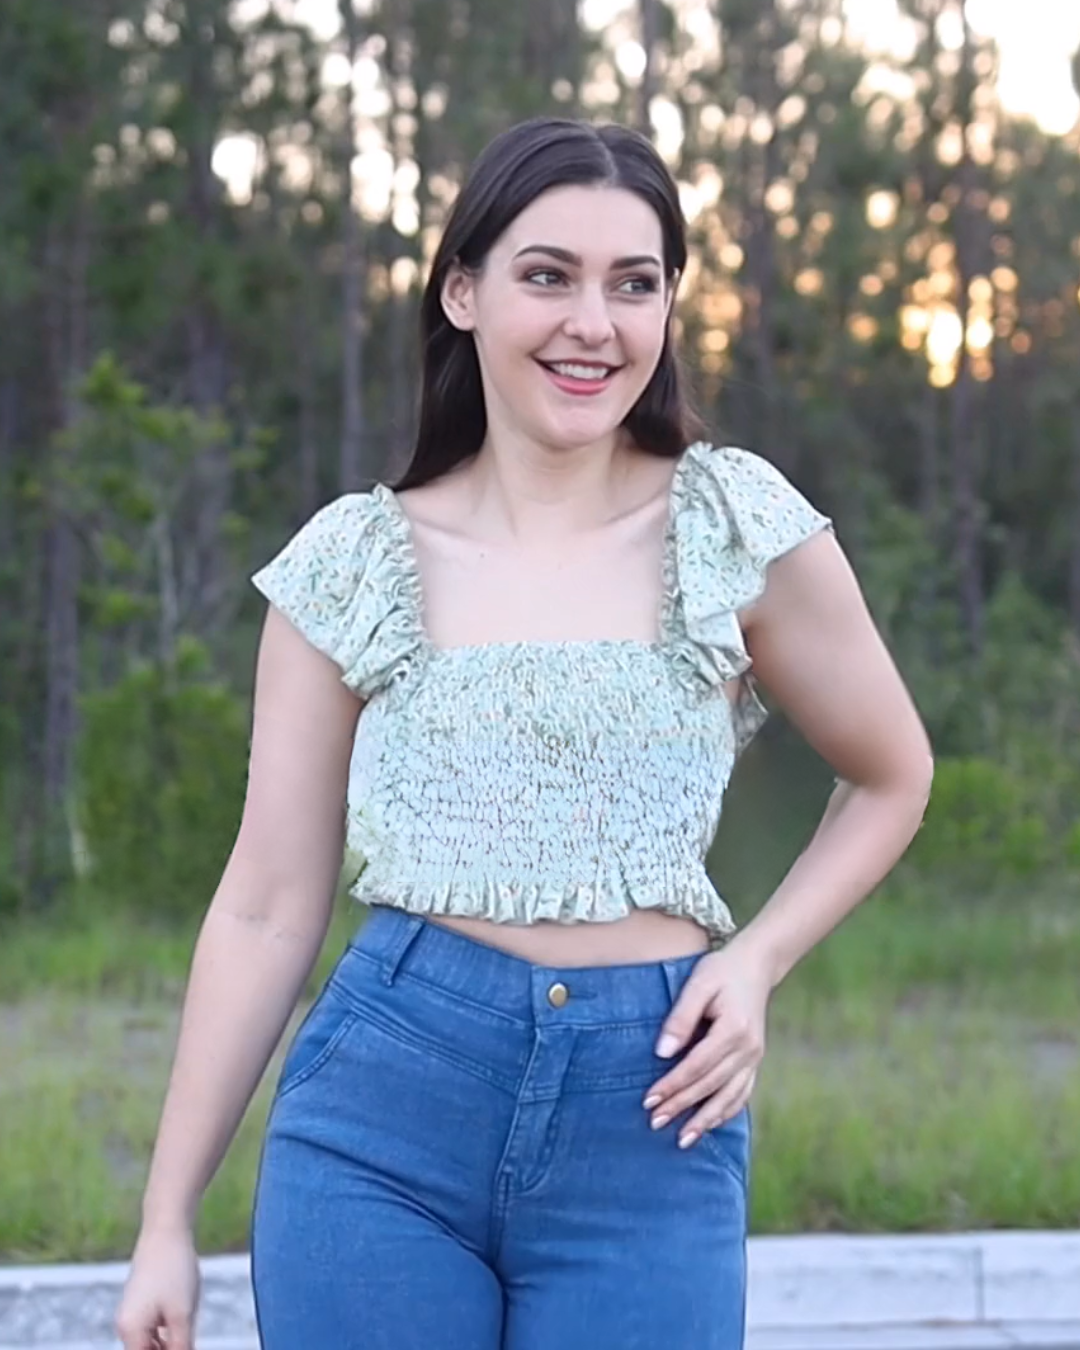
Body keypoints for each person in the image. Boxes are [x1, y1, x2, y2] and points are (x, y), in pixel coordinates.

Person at [116, 116, 933, 1350]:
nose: (592, 324)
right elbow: (266, 908)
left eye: (634, 284)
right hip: (382, 1118)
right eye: (548, 275)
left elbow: (892, 775)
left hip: (651, 1112)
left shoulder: (735, 525)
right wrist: (165, 1220)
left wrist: (756, 961)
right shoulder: (354, 561)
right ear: (463, 292)